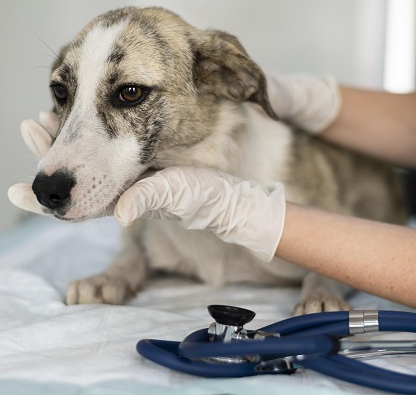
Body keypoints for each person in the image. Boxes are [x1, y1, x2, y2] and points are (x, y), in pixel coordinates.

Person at [8, 74, 416, 307]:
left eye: (129, 92)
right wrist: (318, 100)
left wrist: (320, 283)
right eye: (64, 92)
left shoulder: (293, 167)